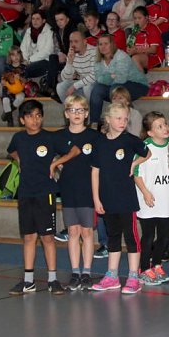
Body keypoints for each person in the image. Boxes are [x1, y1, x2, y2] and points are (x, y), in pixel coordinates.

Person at [7, 99, 79, 295]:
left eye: (38, 116)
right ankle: (28, 280)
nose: (35, 120)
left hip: (44, 193)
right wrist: (20, 160)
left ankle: (53, 279)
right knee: (29, 237)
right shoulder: (18, 138)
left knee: (47, 237)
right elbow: (12, 151)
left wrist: (56, 163)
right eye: (30, 116)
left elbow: (74, 150)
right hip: (25, 193)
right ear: (22, 120)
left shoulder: (50, 137)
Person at [91, 102, 150, 293]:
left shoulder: (130, 140)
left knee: (131, 237)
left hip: (126, 199)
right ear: (107, 119)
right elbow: (95, 172)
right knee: (112, 237)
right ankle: (112, 275)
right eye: (118, 118)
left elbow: (147, 152)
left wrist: (135, 164)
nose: (122, 122)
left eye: (125, 119)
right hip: (107, 199)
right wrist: (96, 199)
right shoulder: (99, 142)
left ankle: (134, 276)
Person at [55, 95, 100, 290]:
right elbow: (50, 159)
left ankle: (87, 272)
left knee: (87, 232)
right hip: (68, 190)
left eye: (80, 110)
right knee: (73, 231)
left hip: (87, 190)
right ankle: (75, 272)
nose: (76, 114)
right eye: (72, 110)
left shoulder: (94, 137)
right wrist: (57, 169)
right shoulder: (59, 136)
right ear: (66, 113)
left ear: (87, 114)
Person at [134, 112, 169, 286]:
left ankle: (157, 264)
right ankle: (144, 269)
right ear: (150, 132)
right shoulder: (144, 147)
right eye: (159, 126)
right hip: (148, 199)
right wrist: (145, 192)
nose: (165, 128)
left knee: (164, 236)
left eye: (165, 124)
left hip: (164, 198)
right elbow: (135, 173)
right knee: (149, 236)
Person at [89, 34, 149, 124]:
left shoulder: (121, 56)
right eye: (100, 44)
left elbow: (121, 79)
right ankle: (94, 123)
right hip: (116, 85)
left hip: (138, 85)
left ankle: (121, 119)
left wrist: (107, 78)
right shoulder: (98, 59)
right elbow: (99, 78)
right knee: (97, 88)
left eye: (106, 43)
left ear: (112, 44)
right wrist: (111, 76)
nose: (103, 47)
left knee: (115, 89)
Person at [20, 10, 59, 95]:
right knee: (17, 68)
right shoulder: (29, 31)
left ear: (44, 20)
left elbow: (48, 51)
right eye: (33, 19)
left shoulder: (50, 31)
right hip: (28, 61)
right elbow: (23, 48)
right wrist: (25, 60)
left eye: (38, 19)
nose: (35, 21)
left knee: (24, 70)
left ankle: (26, 89)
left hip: (45, 61)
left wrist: (30, 60)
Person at [57, 30, 97, 100]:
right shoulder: (72, 53)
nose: (73, 45)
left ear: (84, 42)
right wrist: (69, 62)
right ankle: (70, 109)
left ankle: (91, 109)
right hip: (81, 84)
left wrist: (74, 86)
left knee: (87, 87)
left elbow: (94, 76)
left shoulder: (94, 52)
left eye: (76, 41)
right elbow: (65, 78)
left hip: (95, 83)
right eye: (71, 42)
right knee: (60, 87)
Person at [127, 6, 164, 73]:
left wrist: (136, 51)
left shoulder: (152, 28)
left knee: (135, 58)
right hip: (140, 55)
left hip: (154, 57)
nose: (137, 21)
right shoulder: (134, 30)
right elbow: (130, 47)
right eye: (135, 18)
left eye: (139, 18)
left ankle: (142, 81)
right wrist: (129, 49)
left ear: (146, 18)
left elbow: (153, 50)